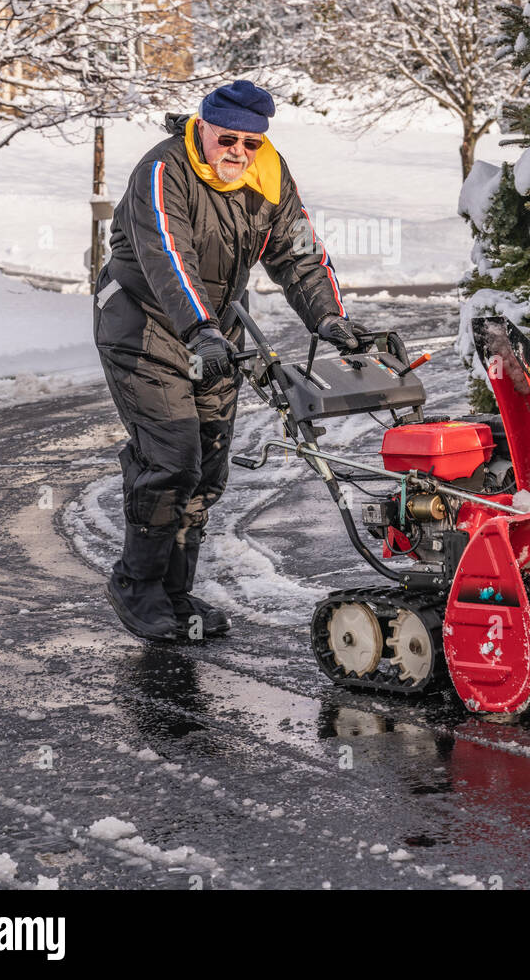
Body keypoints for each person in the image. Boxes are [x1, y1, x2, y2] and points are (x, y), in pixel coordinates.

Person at [93, 79, 362, 644]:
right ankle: (136, 584)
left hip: (213, 332)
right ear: (204, 128)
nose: (238, 151)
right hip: (145, 324)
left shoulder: (268, 176)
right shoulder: (164, 170)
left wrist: (328, 319)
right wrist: (202, 330)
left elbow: (299, 252)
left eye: (251, 142)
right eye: (228, 139)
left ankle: (173, 592)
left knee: (208, 464)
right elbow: (170, 256)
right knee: (171, 456)